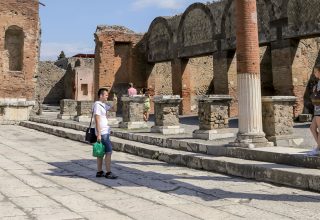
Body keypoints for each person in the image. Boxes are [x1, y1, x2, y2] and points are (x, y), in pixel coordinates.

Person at [93, 88, 118, 178]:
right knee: (108, 152)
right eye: (106, 95)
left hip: (104, 132)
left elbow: (114, 109)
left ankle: (99, 172)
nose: (107, 96)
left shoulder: (103, 105)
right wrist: (99, 134)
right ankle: (108, 172)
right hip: (102, 133)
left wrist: (115, 101)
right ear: (101, 96)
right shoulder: (97, 105)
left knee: (100, 152)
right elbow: (97, 119)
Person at [309, 64, 320, 156]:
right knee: (312, 128)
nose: (314, 73)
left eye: (315, 71)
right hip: (317, 108)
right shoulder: (318, 83)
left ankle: (318, 149)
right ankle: (319, 147)